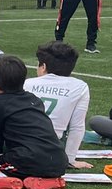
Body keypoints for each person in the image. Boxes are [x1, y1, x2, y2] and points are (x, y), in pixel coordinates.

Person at [0, 55, 68, 189]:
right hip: (59, 161)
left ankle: (0, 177)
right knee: (28, 160)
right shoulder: (34, 99)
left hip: (26, 160)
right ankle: (47, 180)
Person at [24, 41, 91, 169]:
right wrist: (70, 159)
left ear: (43, 66)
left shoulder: (28, 83)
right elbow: (77, 126)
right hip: (52, 147)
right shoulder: (80, 86)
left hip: (21, 142)